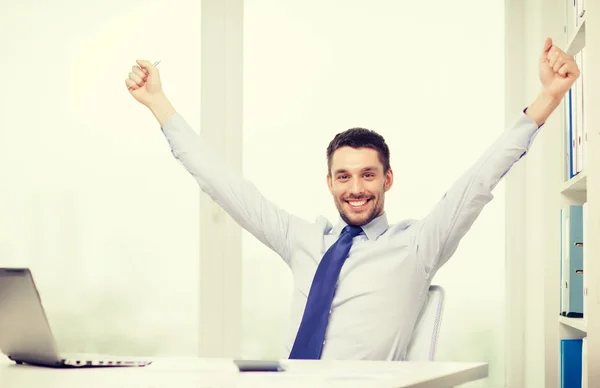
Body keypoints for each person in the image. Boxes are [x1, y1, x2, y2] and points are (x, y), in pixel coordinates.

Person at [124, 37, 579, 361]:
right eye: (344, 176)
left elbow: (478, 181)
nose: (356, 188)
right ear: (329, 183)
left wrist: (546, 98)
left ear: (388, 180)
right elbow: (223, 183)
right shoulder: (301, 239)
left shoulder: (417, 247)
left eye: (367, 175)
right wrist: (158, 103)